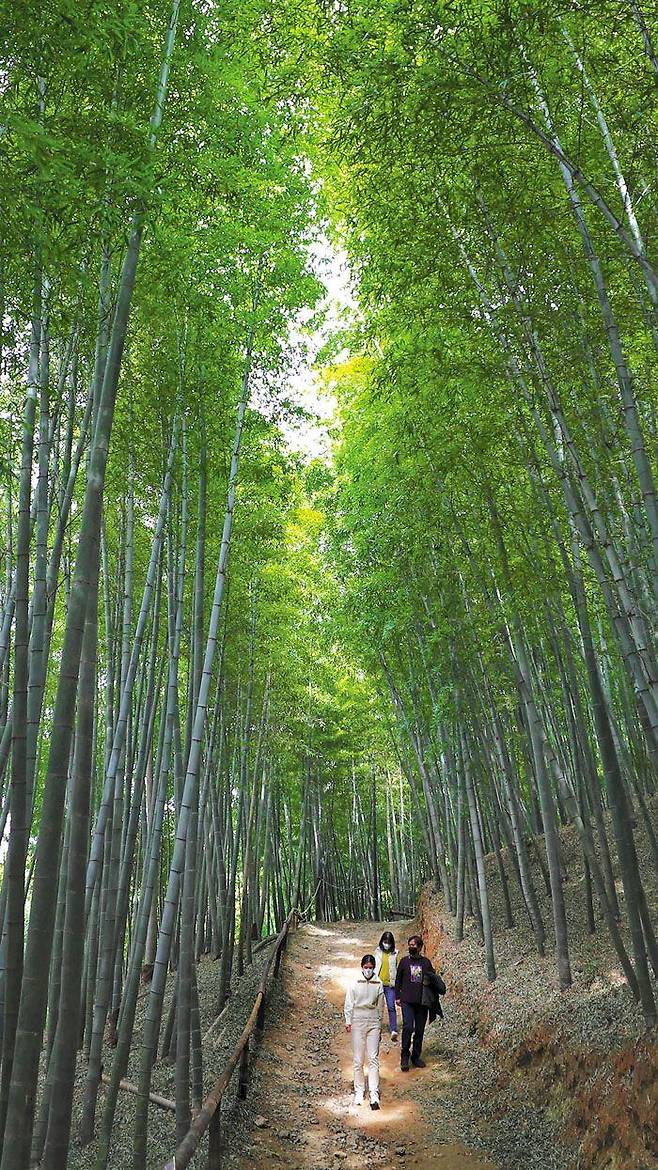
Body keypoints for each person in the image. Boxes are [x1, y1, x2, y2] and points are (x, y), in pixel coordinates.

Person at [344, 953, 384, 1109]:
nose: (368, 970)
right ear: (362, 967)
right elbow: (349, 1002)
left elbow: (381, 1006)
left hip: (373, 1021)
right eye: (366, 967)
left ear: (374, 968)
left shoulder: (378, 983)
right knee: (358, 1059)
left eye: (371, 968)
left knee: (373, 1058)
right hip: (358, 1020)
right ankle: (359, 1091)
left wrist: (380, 1025)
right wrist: (348, 1020)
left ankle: (374, 1093)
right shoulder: (354, 982)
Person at [394, 934, 437, 1072]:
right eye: (410, 945)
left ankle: (416, 1056)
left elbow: (433, 981)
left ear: (420, 947)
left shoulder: (426, 963)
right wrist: (397, 996)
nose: (412, 947)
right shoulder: (404, 961)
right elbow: (398, 980)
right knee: (407, 1027)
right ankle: (404, 1055)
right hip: (407, 1000)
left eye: (414, 945)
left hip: (422, 1002)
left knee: (419, 1030)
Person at [374, 930, 399, 1041]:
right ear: (382, 941)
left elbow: (396, 969)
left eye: (389, 942)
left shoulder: (395, 954)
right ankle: (376, 1029)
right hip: (379, 984)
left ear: (392, 943)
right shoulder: (378, 952)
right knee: (378, 1008)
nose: (387, 944)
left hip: (390, 985)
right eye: (385, 941)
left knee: (391, 1007)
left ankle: (393, 1029)